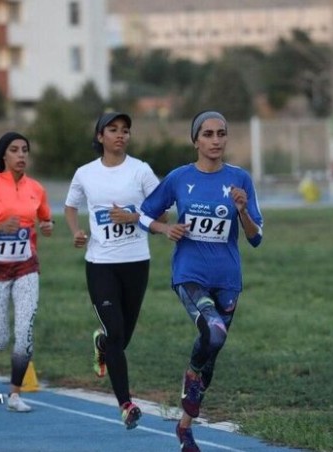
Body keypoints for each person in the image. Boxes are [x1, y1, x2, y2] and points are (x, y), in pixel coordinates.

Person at [139, 111, 264, 452]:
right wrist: (166, 229)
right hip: (190, 274)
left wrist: (241, 212)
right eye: (207, 134)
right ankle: (190, 375)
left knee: (213, 350)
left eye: (221, 133)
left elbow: (255, 238)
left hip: (227, 278)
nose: (215, 140)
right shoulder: (180, 178)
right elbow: (144, 214)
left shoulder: (240, 179)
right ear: (195, 140)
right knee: (214, 332)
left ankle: (185, 426)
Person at [64, 112, 165, 429]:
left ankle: (102, 345)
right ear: (100, 136)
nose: (120, 135)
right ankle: (126, 405)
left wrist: (133, 218)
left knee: (122, 339)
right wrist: (76, 232)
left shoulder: (141, 171)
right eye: (113, 130)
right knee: (118, 333)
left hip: (136, 262)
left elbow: (161, 206)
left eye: (125, 130)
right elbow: (70, 206)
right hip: (101, 264)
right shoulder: (85, 173)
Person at [0, 132, 53, 413]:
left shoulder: (36, 188)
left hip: (27, 267)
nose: (21, 155)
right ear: (3, 155)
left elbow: (44, 218)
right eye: (14, 150)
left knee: (25, 329)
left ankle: (14, 395)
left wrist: (47, 227)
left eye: (25, 150)